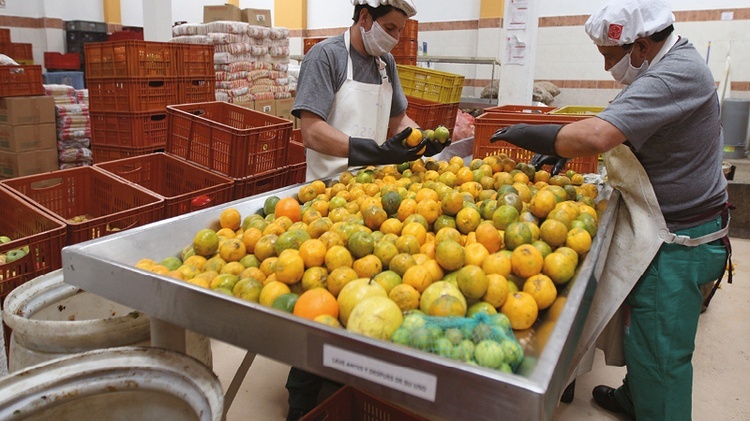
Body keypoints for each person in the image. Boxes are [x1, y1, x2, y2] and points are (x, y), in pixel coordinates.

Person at [490, 1, 731, 419]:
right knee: (642, 329)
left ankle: (656, 407)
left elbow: (600, 135)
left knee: (660, 352)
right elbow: (626, 124)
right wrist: (563, 142)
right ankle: (635, 397)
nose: (606, 68)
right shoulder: (669, 61)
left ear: (639, 46)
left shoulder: (675, 74)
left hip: (680, 239)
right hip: (666, 221)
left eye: (609, 56)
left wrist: (537, 135)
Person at [286, 1, 447, 419]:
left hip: (375, 196)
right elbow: (312, 131)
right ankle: (301, 398)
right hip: (327, 197)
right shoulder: (326, 57)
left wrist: (421, 141)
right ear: (364, 18)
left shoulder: (384, 63)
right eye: (390, 27)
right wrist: (369, 151)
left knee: (363, 285)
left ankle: (348, 379)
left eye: (401, 31)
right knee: (320, 297)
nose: (395, 37)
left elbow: (399, 120)